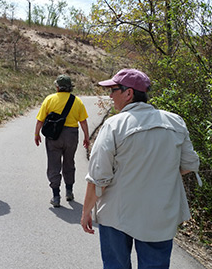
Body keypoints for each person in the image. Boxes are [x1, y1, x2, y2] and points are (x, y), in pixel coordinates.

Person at [80, 69, 200, 268]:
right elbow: (189, 165)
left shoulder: (113, 125)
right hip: (159, 214)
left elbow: (98, 176)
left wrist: (86, 212)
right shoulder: (175, 122)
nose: (110, 96)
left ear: (129, 93)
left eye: (113, 90)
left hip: (116, 213)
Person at [35, 75, 90, 207]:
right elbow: (83, 121)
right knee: (69, 162)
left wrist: (37, 134)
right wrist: (86, 137)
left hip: (54, 136)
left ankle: (56, 196)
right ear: (70, 87)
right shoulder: (77, 101)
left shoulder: (50, 99)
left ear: (58, 87)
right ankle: (69, 191)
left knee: (54, 164)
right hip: (71, 135)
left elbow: (40, 120)